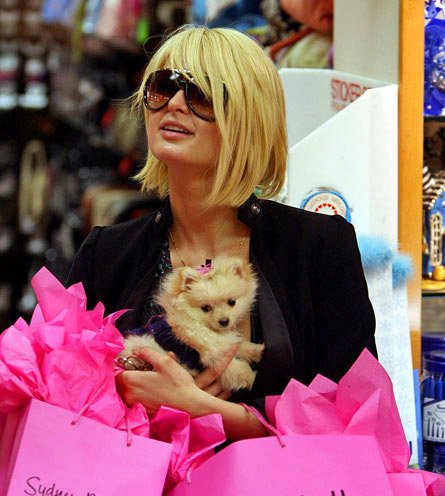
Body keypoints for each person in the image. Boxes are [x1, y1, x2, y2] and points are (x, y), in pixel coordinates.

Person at [67, 25, 377, 441]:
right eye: (163, 88)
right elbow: (63, 402)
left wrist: (200, 409)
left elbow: (357, 421)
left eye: (200, 95)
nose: (175, 103)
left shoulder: (318, 247)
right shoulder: (106, 253)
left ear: (247, 118)